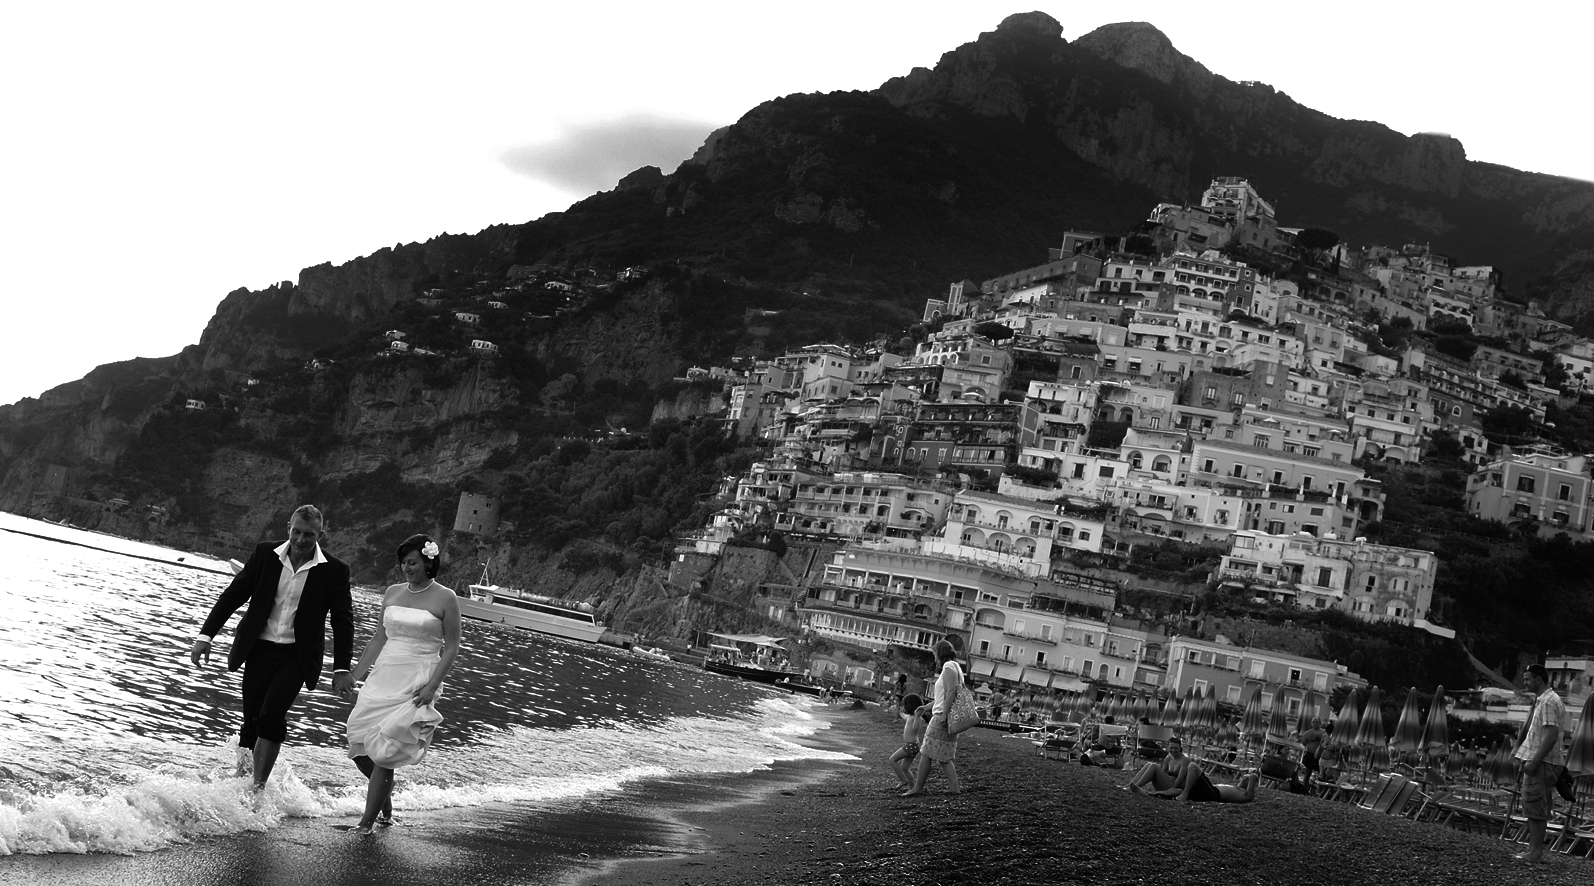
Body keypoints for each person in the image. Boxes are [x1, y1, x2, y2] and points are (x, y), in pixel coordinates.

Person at [190, 505, 354, 790]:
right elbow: (233, 595)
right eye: (297, 532)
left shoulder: (334, 571)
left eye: (309, 535)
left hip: (296, 655)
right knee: (251, 720)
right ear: (288, 527)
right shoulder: (266, 554)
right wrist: (206, 636)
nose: (302, 540)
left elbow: (343, 621)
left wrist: (341, 668)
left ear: (321, 534)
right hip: (259, 648)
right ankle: (240, 781)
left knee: (271, 716)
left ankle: (259, 787)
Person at [344, 534, 462, 835]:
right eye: (403, 563)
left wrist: (433, 686)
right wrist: (354, 675)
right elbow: (379, 638)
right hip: (384, 674)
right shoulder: (393, 592)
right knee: (358, 744)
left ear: (428, 562)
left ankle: (365, 824)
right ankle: (385, 805)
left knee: (387, 751)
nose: (406, 568)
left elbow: (451, 647)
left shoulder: (445, 597)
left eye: (412, 562)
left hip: (418, 678)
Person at [1512, 663, 1568, 864]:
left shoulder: (1547, 702)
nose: (1525, 682)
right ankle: (1533, 850)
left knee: (1535, 804)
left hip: (1543, 762)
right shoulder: (1545, 700)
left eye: (1527, 679)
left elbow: (1551, 735)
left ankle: (1535, 851)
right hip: (1546, 761)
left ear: (1538, 679)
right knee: (1536, 804)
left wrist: (1534, 761)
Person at [903, 640, 963, 797]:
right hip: (947, 715)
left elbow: (950, 693)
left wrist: (943, 714)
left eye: (935, 654)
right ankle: (954, 788)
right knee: (944, 756)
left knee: (926, 753)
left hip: (942, 717)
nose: (934, 657)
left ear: (940, 653)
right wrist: (926, 707)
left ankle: (917, 787)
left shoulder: (948, 666)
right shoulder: (956, 666)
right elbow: (943, 696)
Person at [1131, 761, 1259, 804]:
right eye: (1244, 777)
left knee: (1193, 766)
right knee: (1177, 789)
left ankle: (1184, 795)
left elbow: (1251, 791)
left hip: (1213, 794)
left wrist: (1253, 776)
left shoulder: (1245, 794)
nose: (1244, 778)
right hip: (1207, 793)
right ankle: (1147, 793)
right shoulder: (1236, 788)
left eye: (1246, 779)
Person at [889, 693, 929, 790]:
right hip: (912, 746)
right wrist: (899, 712)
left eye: (905, 705)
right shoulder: (910, 717)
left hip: (911, 746)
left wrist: (916, 716)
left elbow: (915, 728)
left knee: (892, 759)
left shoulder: (917, 718)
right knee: (904, 768)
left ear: (910, 705)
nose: (904, 707)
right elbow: (904, 716)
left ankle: (903, 779)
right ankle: (912, 788)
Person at [1125, 736, 1190, 793]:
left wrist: (1170, 791)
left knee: (1154, 766)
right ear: (1168, 748)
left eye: (1176, 748)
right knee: (1149, 764)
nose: (1173, 750)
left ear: (1180, 748)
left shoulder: (1184, 760)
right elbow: (1163, 772)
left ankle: (1135, 787)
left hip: (1174, 786)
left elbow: (1180, 779)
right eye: (1171, 748)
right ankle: (1129, 785)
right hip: (1166, 782)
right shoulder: (1169, 757)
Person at [1297, 717, 1327, 786]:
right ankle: (1305, 789)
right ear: (1311, 723)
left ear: (1320, 723)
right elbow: (1303, 744)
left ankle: (1319, 790)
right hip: (1310, 755)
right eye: (1313, 722)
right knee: (1307, 773)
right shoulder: (1308, 733)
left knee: (1321, 774)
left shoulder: (1324, 733)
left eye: (1317, 722)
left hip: (1320, 756)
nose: (1315, 724)